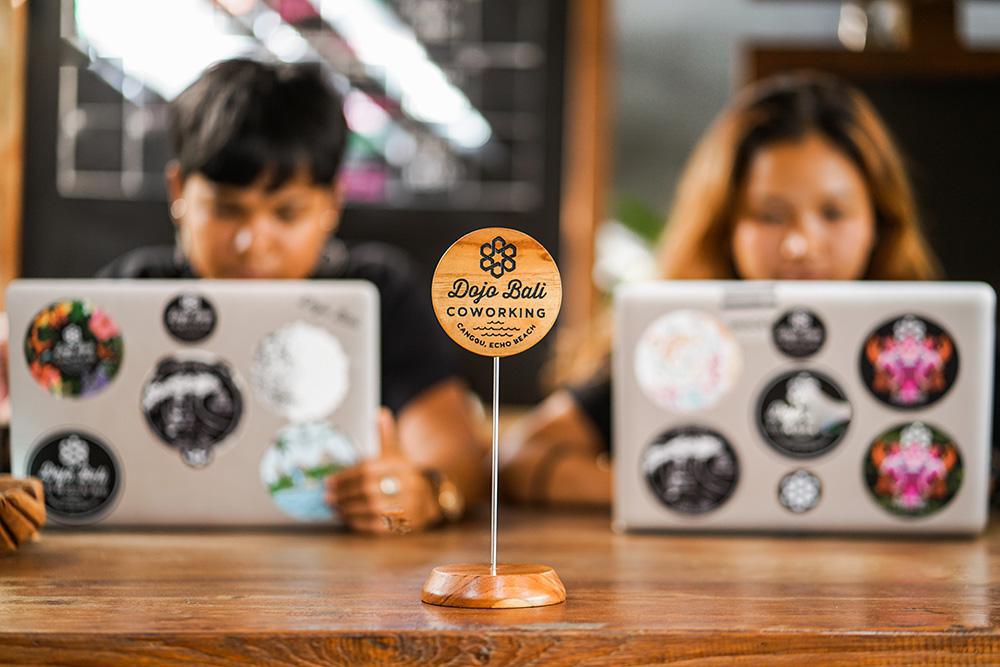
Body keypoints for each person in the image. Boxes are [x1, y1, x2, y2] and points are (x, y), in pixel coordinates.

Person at [1, 59, 486, 532]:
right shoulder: (128, 290)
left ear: (332, 203)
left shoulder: (381, 292)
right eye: (226, 209)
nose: (252, 242)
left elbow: (455, 452)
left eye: (287, 213)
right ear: (178, 190)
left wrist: (427, 491)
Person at [500, 71, 941, 507]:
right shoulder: (681, 345)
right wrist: (673, 493)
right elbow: (515, 457)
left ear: (879, 222)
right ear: (724, 227)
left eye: (833, 212)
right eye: (770, 215)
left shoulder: (930, 343)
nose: (801, 245)